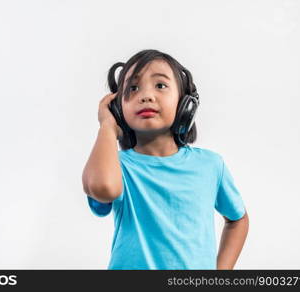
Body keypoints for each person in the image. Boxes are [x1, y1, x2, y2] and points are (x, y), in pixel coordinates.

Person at [82, 49, 249, 270]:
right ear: (118, 110)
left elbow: (237, 220)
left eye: (160, 85)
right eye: (133, 88)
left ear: (185, 104)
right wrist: (107, 127)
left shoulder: (210, 165)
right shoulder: (116, 166)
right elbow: (103, 188)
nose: (146, 96)